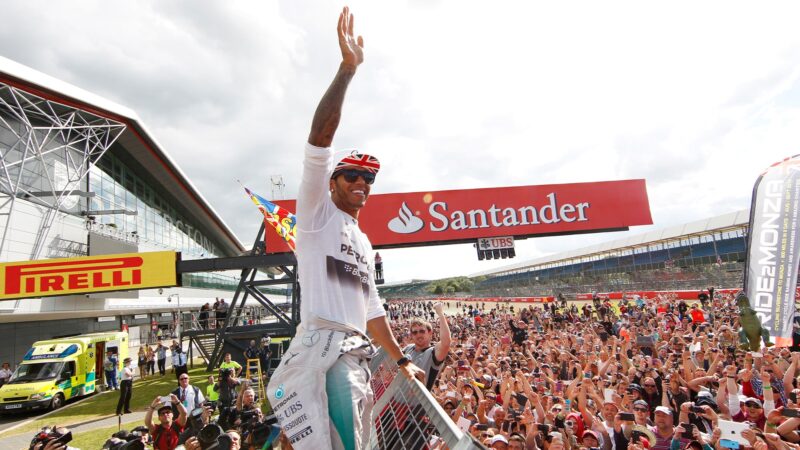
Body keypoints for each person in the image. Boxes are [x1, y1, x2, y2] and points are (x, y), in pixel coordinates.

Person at [266, 8, 424, 449]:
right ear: (332, 182)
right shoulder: (317, 213)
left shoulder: (363, 239)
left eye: (369, 179)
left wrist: (400, 359)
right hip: (327, 352)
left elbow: (372, 309)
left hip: (358, 356)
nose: (361, 183)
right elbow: (319, 139)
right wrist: (347, 70)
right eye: (352, 175)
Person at [402, 301, 451, 389]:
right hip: (397, 399)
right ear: (411, 335)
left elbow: (446, 342)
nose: (418, 335)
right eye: (415, 332)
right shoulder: (407, 349)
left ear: (430, 333)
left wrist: (440, 314)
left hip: (417, 402)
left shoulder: (433, 353)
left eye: (422, 331)